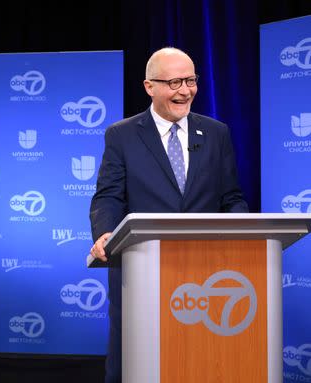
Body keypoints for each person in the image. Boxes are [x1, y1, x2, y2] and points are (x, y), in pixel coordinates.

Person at [88, 47, 248, 383]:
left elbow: (230, 197)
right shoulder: (122, 135)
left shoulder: (216, 133)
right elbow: (109, 196)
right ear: (150, 87)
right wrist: (105, 233)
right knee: (131, 361)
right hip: (140, 267)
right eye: (175, 82)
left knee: (198, 361)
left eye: (191, 80)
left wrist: (244, 232)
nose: (186, 90)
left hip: (206, 272)